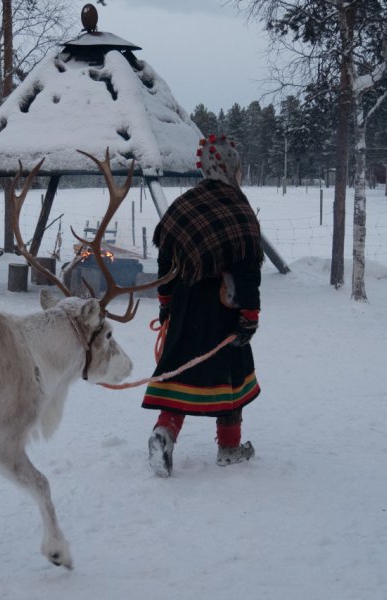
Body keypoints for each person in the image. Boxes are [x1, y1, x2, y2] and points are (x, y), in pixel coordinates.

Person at [142, 134, 263, 477]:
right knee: (231, 380)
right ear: (231, 166)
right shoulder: (239, 207)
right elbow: (247, 267)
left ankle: (163, 434)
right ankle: (229, 447)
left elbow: (165, 259)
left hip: (186, 308)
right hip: (225, 312)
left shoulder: (183, 205)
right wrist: (250, 316)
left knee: (180, 374)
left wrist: (167, 305)